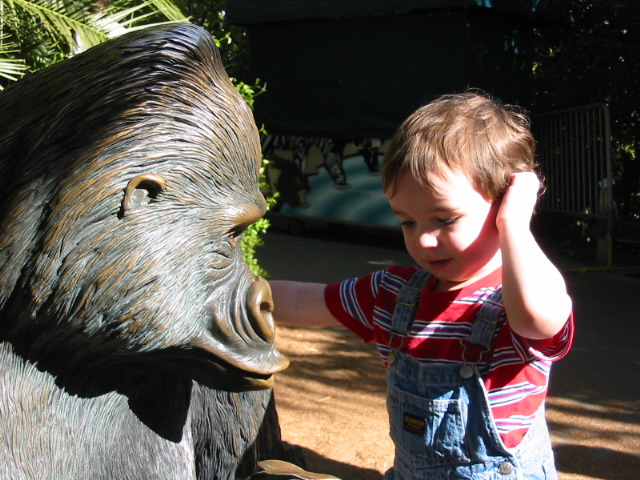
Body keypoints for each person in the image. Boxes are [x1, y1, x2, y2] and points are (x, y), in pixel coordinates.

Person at [270, 91, 574, 480]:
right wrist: (235, 292)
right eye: (407, 221)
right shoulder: (392, 293)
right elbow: (302, 299)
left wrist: (515, 222)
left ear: (504, 203)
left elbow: (536, 319)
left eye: (445, 219)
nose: (424, 241)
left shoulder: (513, 299)